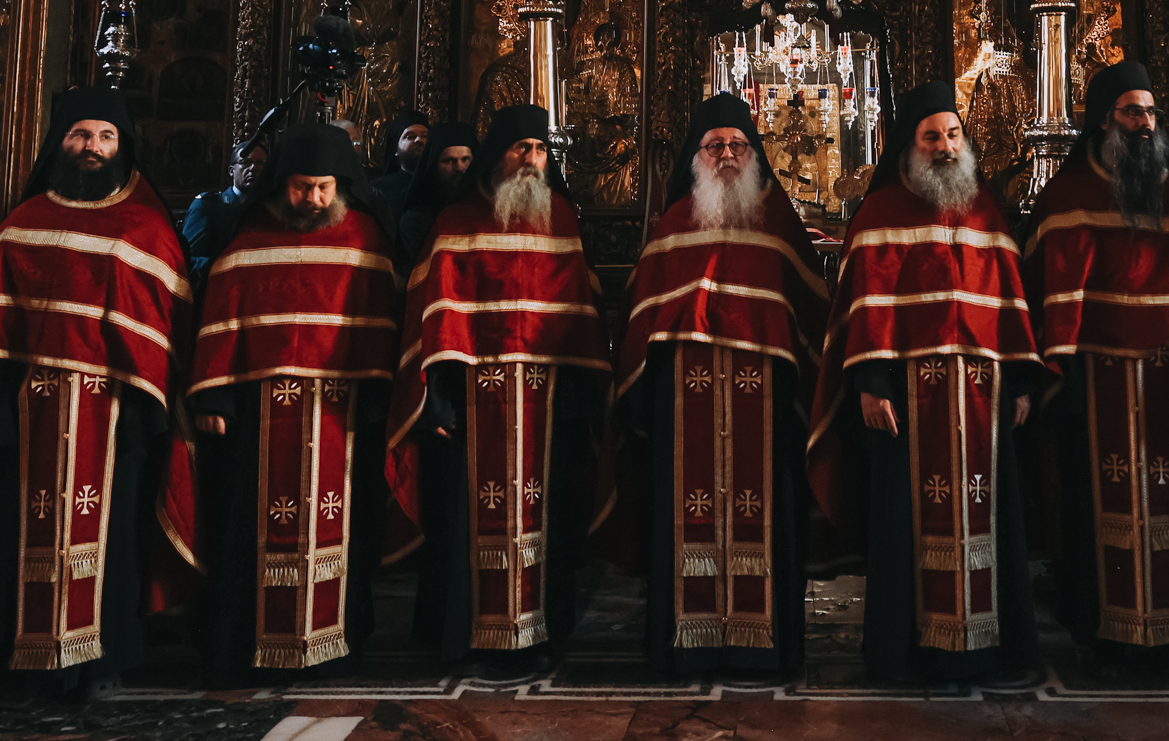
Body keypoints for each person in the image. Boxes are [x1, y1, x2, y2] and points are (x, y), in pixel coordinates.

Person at [0, 88, 197, 698]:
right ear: (59, 143)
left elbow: (165, 334)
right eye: (80, 135)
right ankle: (13, 662)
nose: (92, 147)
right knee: (15, 537)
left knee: (114, 539)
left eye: (105, 137)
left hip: (113, 420)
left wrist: (148, 413)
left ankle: (102, 663)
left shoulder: (146, 229)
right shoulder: (22, 226)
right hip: (25, 422)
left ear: (123, 146)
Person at [806, 81, 1045, 684]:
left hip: (983, 399)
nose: (945, 147)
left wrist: (1021, 380)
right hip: (908, 402)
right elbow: (865, 308)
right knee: (903, 527)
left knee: (992, 519)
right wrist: (870, 383)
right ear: (909, 146)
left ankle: (988, 649)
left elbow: (1009, 304)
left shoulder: (985, 211)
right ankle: (906, 653)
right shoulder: (880, 215)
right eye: (932, 137)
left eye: (953, 135)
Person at [385, 105, 611, 678]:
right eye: (520, 149)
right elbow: (432, 320)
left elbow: (579, 318)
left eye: (540, 150)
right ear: (497, 155)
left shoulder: (561, 218)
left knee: (548, 519)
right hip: (471, 406)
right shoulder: (456, 220)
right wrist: (435, 400)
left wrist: (582, 398)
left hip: (546, 407)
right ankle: (463, 634)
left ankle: (540, 630)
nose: (532, 159)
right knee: (462, 521)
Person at [613, 93, 830, 674]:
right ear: (697, 156)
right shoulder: (673, 225)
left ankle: (764, 646)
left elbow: (810, 318)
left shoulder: (778, 224)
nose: (728, 154)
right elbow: (642, 323)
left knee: (768, 514)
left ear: (754, 153)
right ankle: (687, 645)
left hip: (767, 408)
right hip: (682, 404)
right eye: (715, 146)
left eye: (738, 144)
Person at [1021, 62, 1169, 675]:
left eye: (1150, 112)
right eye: (1133, 112)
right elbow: (1049, 288)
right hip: (1093, 381)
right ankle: (1103, 630)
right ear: (1105, 119)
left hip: (1166, 379)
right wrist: (1061, 369)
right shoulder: (1070, 194)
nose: (1144, 124)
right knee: (1090, 502)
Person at [185, 124, 401, 682]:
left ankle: (336, 644)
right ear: (282, 183)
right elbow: (221, 320)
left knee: (345, 529)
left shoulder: (365, 237)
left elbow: (382, 323)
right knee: (246, 529)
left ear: (342, 185)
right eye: (303, 187)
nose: (314, 199)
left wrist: (380, 398)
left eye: (325, 187)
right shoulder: (249, 235)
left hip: (341, 415)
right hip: (257, 417)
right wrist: (215, 397)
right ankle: (245, 643)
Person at [181, 133, 269, 286]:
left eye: (260, 163)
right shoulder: (208, 206)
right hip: (220, 287)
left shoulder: (270, 209)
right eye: (246, 162)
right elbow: (187, 260)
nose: (253, 168)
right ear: (231, 170)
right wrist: (231, 267)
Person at [396, 119, 476, 258]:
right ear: (434, 165)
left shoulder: (483, 206)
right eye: (449, 161)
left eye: (465, 159)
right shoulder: (416, 218)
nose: (459, 168)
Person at [371, 110, 432, 208]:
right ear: (396, 149)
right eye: (410, 136)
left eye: (425, 136)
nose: (419, 140)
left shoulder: (443, 184)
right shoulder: (378, 189)